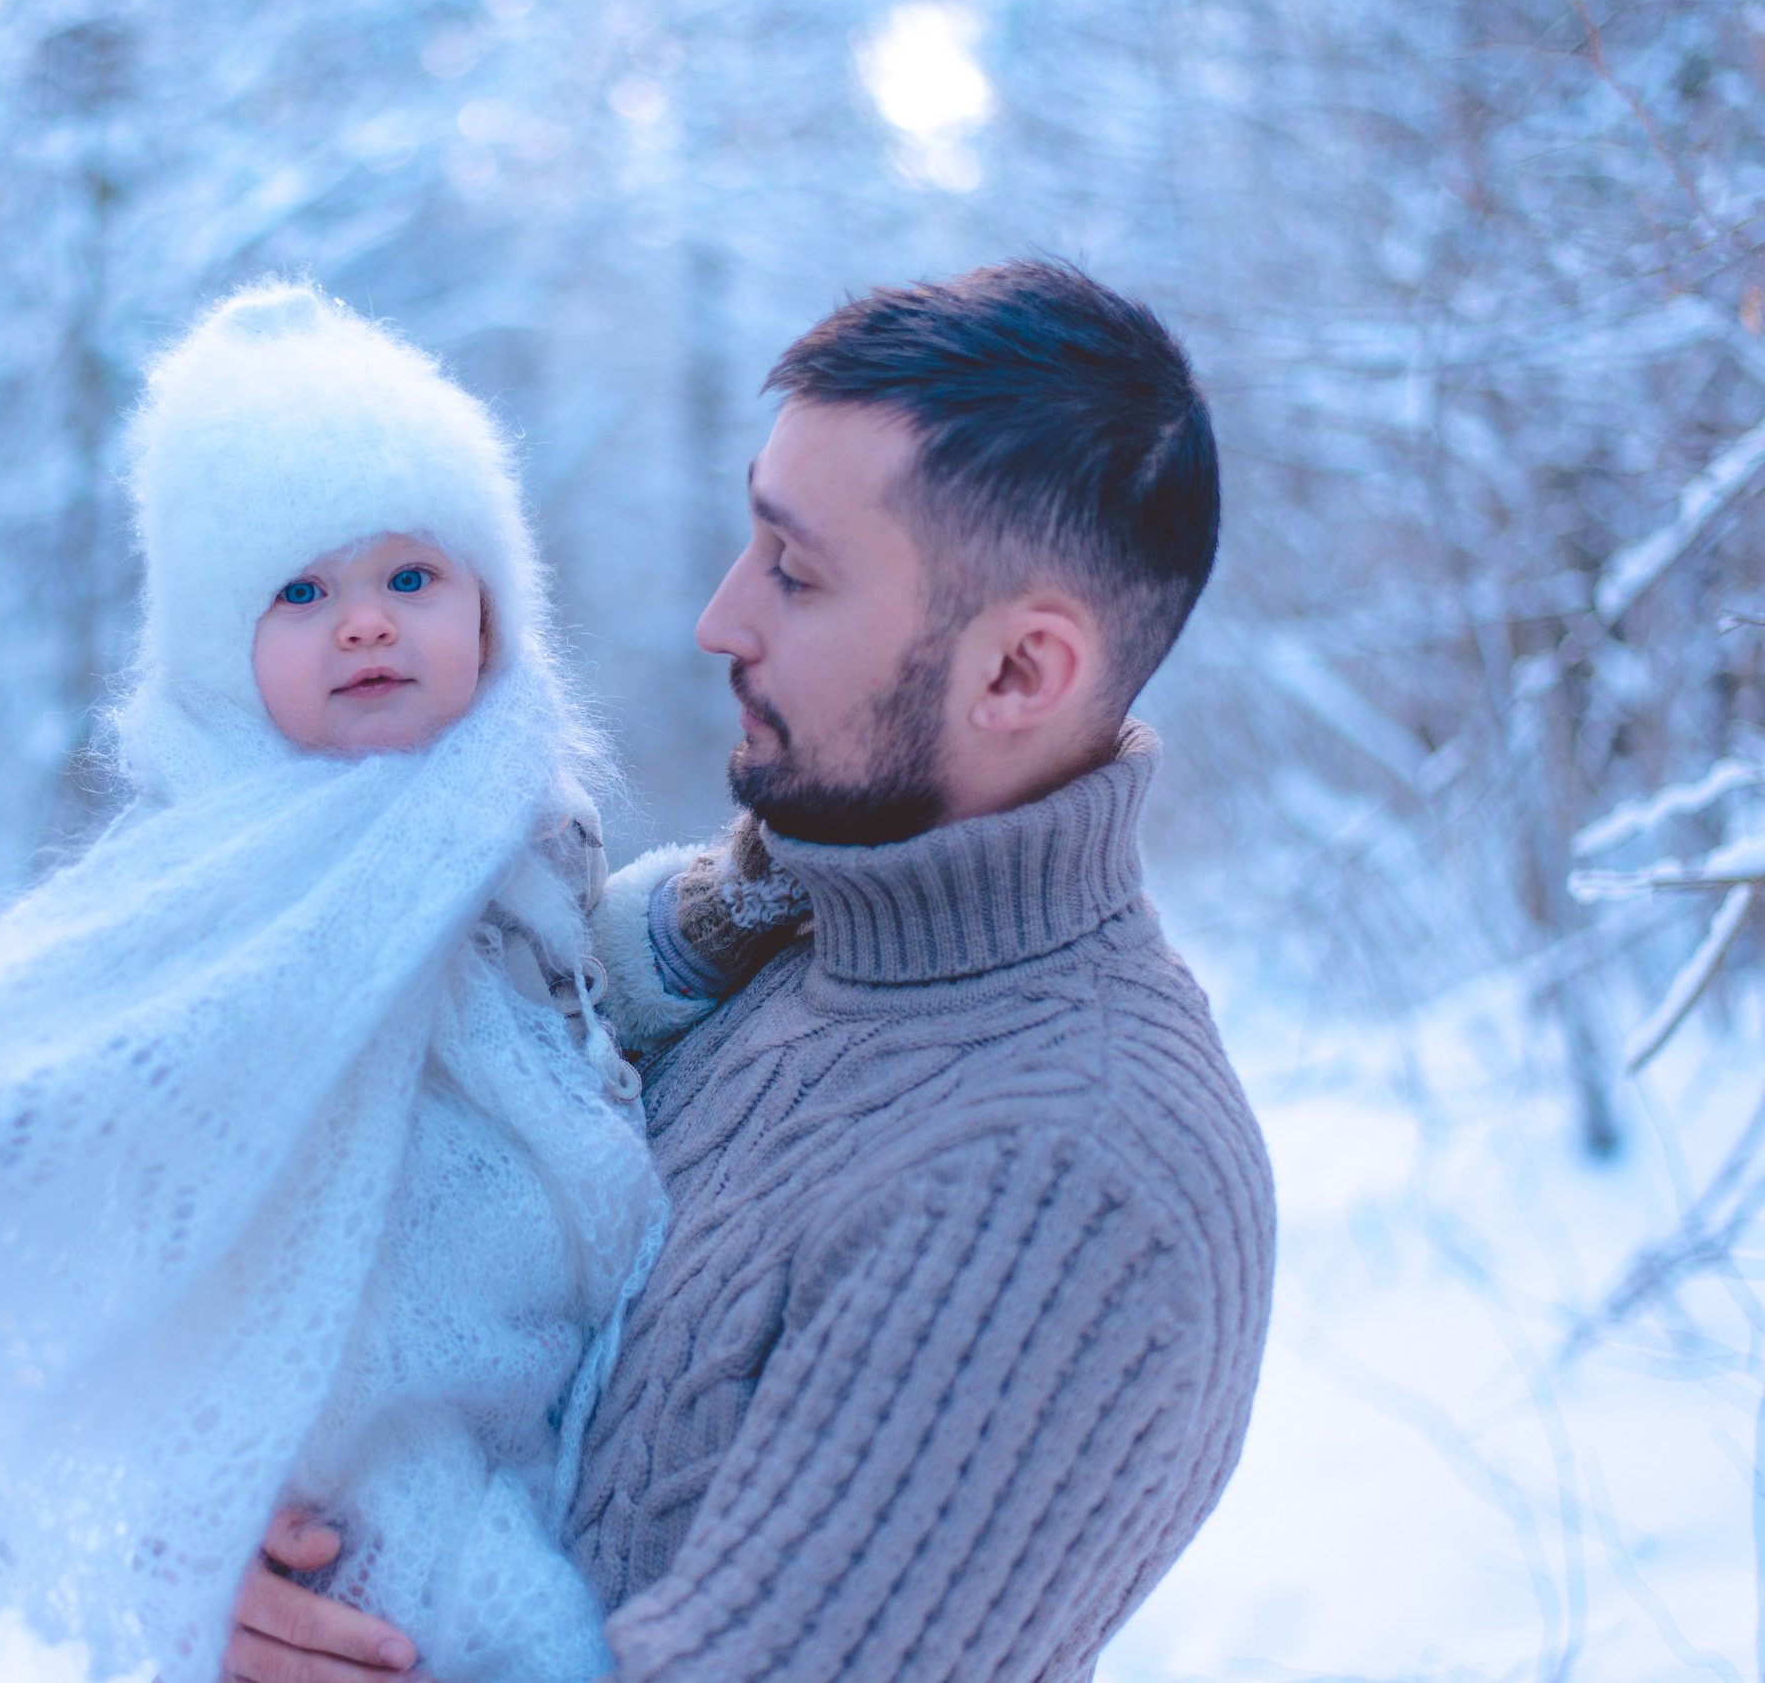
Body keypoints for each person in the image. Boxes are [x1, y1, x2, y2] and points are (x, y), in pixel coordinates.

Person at [225, 260, 1277, 1683]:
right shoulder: (768, 937)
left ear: (1021, 675)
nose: (722, 617)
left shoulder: (1070, 1173)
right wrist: (258, 1576)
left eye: (795, 568)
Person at [0, 283, 667, 1683]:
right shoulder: (191, 893)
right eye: (301, 592)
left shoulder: (533, 844)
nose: (366, 625)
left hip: (537, 1429)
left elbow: (604, 1007)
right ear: (217, 642)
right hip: (347, 1496)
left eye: (411, 577)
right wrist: (169, 1512)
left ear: (496, 607)